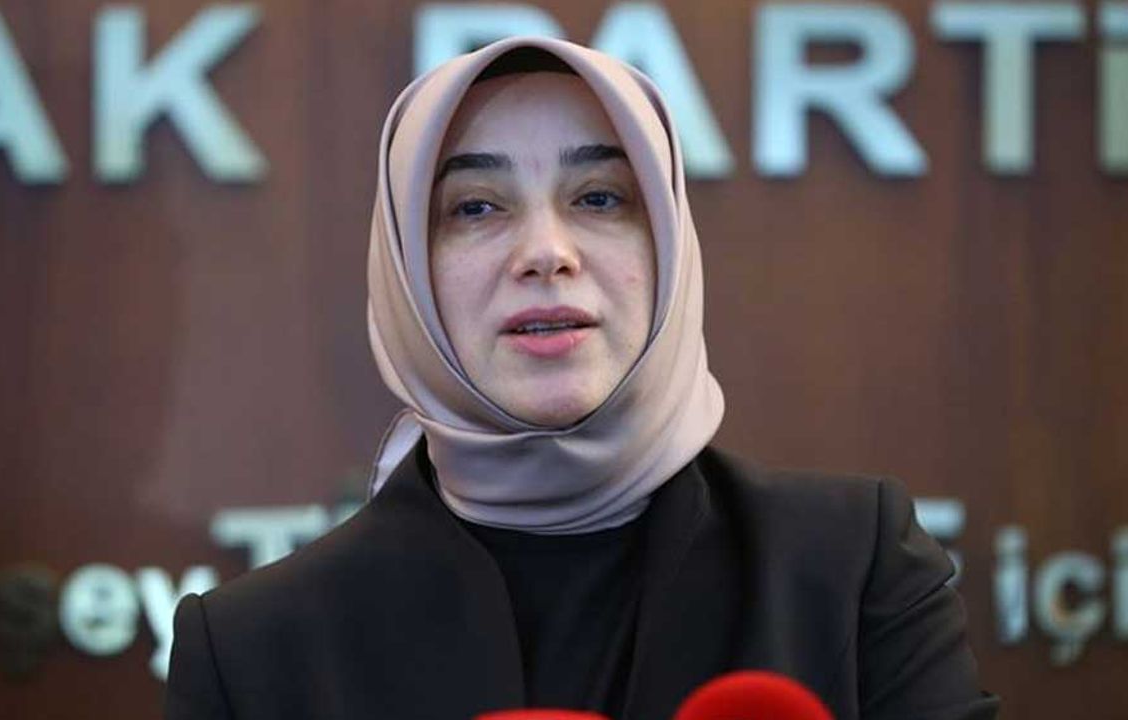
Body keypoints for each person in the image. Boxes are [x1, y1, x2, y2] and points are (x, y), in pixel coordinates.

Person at [165, 37, 999, 720]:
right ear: (408, 274)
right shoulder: (252, 649)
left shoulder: (851, 568)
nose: (546, 253)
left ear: (667, 244)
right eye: (476, 207)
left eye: (599, 198)